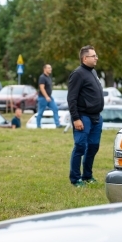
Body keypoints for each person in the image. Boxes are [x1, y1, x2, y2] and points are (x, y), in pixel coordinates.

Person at [67, 45, 104, 187]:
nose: (96, 58)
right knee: (80, 146)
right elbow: (72, 98)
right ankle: (75, 179)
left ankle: (87, 176)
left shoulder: (93, 72)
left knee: (93, 147)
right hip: (83, 117)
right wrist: (76, 118)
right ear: (84, 58)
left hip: (96, 117)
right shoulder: (78, 74)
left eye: (96, 55)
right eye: (93, 56)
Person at [36, 64, 62, 128]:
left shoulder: (48, 77)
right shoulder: (42, 77)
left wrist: (49, 96)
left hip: (49, 97)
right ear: (44, 69)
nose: (50, 69)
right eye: (49, 68)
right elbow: (42, 88)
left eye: (50, 68)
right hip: (43, 98)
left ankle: (57, 124)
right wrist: (46, 96)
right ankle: (38, 126)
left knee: (55, 109)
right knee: (40, 112)